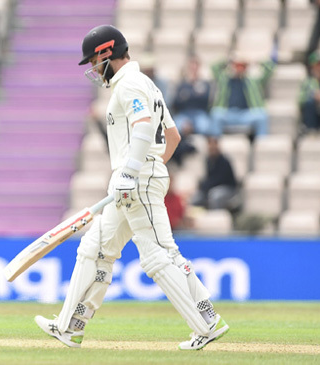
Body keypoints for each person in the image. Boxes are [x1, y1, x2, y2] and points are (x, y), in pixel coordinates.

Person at [34, 25, 229, 351]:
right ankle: (70, 326)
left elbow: (143, 128)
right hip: (133, 180)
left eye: (94, 61)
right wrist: (148, 171)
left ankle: (207, 322)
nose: (94, 70)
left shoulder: (131, 84)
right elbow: (174, 137)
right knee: (95, 249)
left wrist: (137, 173)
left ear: (107, 52)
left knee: (159, 256)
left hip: (133, 179)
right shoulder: (145, 84)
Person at [209, 53, 274, 138]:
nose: (239, 69)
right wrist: (228, 60)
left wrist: (257, 61)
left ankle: (261, 147)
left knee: (262, 115)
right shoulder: (224, 80)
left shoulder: (253, 82)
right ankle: (215, 146)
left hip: (245, 115)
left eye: (242, 66)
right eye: (237, 66)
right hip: (228, 114)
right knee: (216, 114)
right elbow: (214, 68)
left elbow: (270, 69)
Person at [190, 137, 238, 211]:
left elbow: (220, 179)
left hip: (228, 188)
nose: (212, 149)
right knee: (196, 197)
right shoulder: (208, 161)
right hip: (212, 187)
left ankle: (215, 219)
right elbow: (209, 177)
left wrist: (205, 186)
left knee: (215, 196)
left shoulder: (224, 161)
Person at [172, 56, 213, 136]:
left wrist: (187, 95)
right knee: (178, 127)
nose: (193, 70)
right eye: (191, 67)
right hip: (184, 113)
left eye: (195, 67)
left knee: (205, 127)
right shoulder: (181, 84)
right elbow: (176, 102)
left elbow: (206, 101)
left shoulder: (204, 83)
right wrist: (194, 93)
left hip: (199, 113)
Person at [298, 51, 320, 132]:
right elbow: (301, 100)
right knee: (309, 102)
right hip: (313, 113)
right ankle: (311, 130)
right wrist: (314, 95)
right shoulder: (308, 82)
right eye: (317, 65)